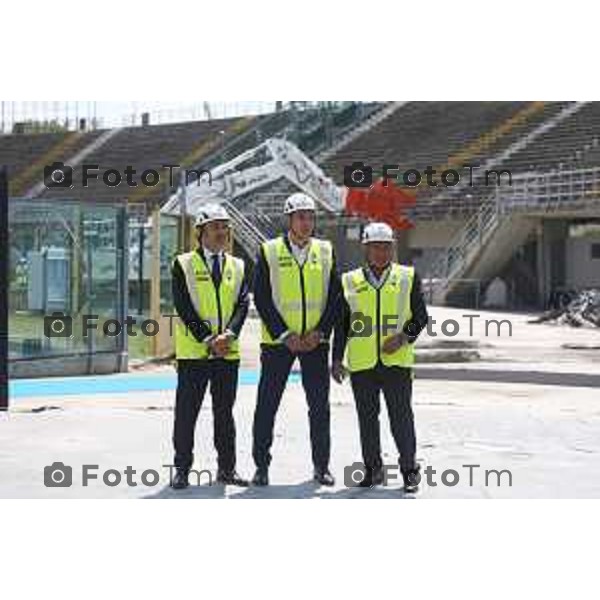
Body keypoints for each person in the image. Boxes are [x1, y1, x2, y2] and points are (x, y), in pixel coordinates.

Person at [332, 222, 429, 493]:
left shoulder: (407, 277)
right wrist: (337, 359)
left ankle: (410, 471)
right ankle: (373, 471)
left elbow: (420, 317)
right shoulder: (349, 280)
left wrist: (402, 338)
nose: (381, 253)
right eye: (375, 247)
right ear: (365, 248)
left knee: (401, 418)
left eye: (386, 247)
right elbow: (342, 324)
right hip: (362, 364)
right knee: (367, 419)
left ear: (392, 248)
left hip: (396, 362)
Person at [251, 192, 340, 486]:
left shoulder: (326, 250)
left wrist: (321, 332)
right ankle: (261, 467)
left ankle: (321, 467)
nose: (306, 222)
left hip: (315, 343)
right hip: (279, 343)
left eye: (310, 217)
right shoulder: (269, 251)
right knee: (267, 404)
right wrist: (284, 334)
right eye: (300, 217)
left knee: (320, 407)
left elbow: (335, 297)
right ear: (289, 220)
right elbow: (262, 298)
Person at [170, 204, 250, 489]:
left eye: (225, 226)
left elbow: (243, 303)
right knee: (186, 413)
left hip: (227, 354)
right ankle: (181, 469)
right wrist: (208, 339)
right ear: (201, 232)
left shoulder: (238, 266)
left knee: (224, 414)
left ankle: (227, 469)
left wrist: (229, 335)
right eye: (216, 226)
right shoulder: (183, 264)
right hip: (195, 353)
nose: (222, 232)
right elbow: (184, 307)